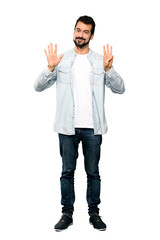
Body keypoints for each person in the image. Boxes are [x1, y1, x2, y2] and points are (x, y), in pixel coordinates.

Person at [34, 15, 125, 231]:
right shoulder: (61, 60)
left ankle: (94, 213)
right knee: (67, 171)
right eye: (78, 30)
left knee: (93, 172)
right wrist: (49, 68)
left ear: (92, 35)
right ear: (73, 31)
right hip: (67, 127)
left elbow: (120, 89)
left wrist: (109, 70)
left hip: (93, 127)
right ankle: (67, 214)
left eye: (85, 31)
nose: (80, 34)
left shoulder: (100, 61)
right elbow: (37, 87)